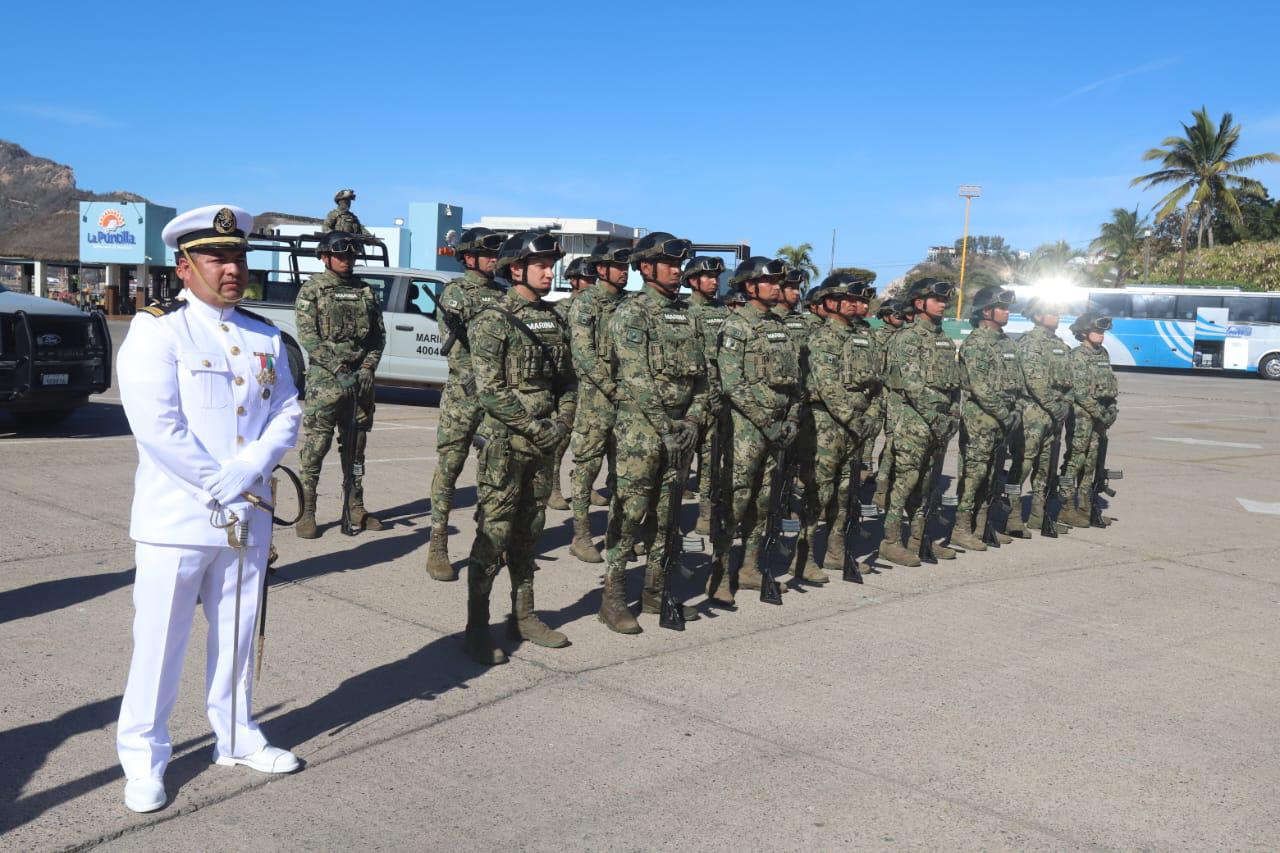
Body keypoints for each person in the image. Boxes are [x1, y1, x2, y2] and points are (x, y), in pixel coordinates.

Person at [115, 205, 302, 814]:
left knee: (239, 634)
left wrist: (252, 471)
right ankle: (145, 758)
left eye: (237, 256)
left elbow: (289, 411)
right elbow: (158, 429)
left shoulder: (263, 333)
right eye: (217, 257)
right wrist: (224, 483)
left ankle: (237, 736)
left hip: (249, 514)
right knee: (160, 643)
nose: (231, 269)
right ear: (184, 265)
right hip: (178, 517)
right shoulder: (159, 330)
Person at [463, 231, 577, 664]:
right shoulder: (493, 319)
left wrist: (563, 423)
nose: (550, 272)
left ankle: (523, 615)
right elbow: (489, 390)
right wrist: (533, 426)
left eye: (552, 265)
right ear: (516, 270)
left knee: (530, 531)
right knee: (493, 534)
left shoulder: (556, 319)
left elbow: (568, 381)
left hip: (544, 446)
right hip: (505, 447)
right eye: (542, 265)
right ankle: (476, 627)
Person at [597, 232, 708, 632]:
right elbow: (636, 376)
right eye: (670, 262)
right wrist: (665, 428)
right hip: (641, 431)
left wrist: (692, 421)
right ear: (646, 267)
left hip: (678, 431)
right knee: (630, 515)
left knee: (667, 517)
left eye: (680, 263)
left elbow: (703, 380)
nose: (678, 269)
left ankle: (656, 591)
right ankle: (612, 598)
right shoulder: (632, 314)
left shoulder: (689, 315)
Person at [425, 227, 507, 580]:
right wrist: (484, 381)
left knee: (495, 470)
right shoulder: (456, 293)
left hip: (496, 399)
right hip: (463, 397)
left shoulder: (503, 294)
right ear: (469, 257)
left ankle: (487, 542)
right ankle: (438, 541)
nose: (494, 258)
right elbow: (457, 354)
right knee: (450, 467)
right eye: (488, 253)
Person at [716, 257, 801, 594]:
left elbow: (794, 381)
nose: (778, 287)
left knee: (764, 501)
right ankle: (720, 572)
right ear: (750, 287)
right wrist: (767, 422)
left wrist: (791, 417)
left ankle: (750, 566)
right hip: (746, 429)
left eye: (780, 282)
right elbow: (732, 385)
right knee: (736, 500)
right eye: (771, 282)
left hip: (777, 428)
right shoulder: (737, 326)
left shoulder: (779, 326)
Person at [294, 231, 387, 537]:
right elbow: (309, 337)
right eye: (340, 255)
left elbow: (377, 336)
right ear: (325, 257)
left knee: (356, 450)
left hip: (359, 384)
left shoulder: (366, 291)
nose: (347, 260)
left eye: (351, 255)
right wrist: (336, 367)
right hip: (326, 383)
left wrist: (368, 368)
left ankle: (355, 506)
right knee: (316, 448)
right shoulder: (312, 290)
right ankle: (307, 510)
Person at [800, 273, 878, 580]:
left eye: (860, 300)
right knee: (817, 493)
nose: (858, 304)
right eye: (851, 299)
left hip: (855, 428)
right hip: (826, 425)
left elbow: (874, 382)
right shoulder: (822, 337)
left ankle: (836, 552)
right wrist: (855, 419)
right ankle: (804, 558)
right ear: (831, 302)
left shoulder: (863, 336)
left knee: (846, 492)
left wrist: (870, 416)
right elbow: (828, 386)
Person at [879, 278, 961, 567]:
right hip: (913, 423)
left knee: (928, 484)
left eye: (945, 300)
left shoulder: (944, 339)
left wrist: (952, 417)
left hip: (937, 424)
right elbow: (913, 386)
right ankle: (890, 541)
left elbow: (954, 385)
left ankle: (918, 539)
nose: (943, 304)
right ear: (918, 303)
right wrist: (937, 416)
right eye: (937, 299)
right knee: (905, 483)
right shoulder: (908, 338)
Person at [566, 238, 633, 563]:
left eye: (626, 267)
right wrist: (613, 389)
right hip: (595, 403)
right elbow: (583, 355)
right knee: (586, 469)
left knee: (623, 471)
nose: (624, 272)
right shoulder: (586, 303)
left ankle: (620, 534)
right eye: (618, 266)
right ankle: (581, 535)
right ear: (601, 268)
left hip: (628, 404)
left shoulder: (631, 304)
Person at [950, 286, 1025, 552]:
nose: (1007, 312)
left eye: (1007, 307)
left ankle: (981, 527)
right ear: (986, 311)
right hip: (981, 421)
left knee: (992, 475)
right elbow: (981, 388)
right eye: (1002, 307)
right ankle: (961, 529)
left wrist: (1015, 412)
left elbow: (1017, 382)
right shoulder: (976, 343)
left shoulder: (1006, 342)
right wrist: (1006, 414)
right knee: (974, 475)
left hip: (1002, 423)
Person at [1011, 297, 1073, 533]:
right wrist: (1054, 406)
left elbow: (1070, 381)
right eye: (1051, 311)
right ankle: (1013, 515)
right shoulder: (1030, 343)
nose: (1056, 314)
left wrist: (1065, 403)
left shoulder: (1060, 345)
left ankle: (1039, 514)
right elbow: (1034, 380)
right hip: (1033, 414)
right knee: (1023, 466)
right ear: (1038, 316)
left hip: (1054, 415)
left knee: (1045, 468)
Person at [682, 255, 730, 537]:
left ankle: (706, 514)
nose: (714, 281)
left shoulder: (724, 313)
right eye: (709, 277)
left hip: (718, 398)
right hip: (689, 399)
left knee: (712, 461)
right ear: (692, 281)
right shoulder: (682, 311)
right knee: (681, 463)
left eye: (717, 277)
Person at [547, 257, 597, 511]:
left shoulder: (598, 308)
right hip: (568, 380)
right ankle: (553, 488)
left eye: (594, 279)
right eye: (587, 279)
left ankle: (587, 485)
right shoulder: (560, 309)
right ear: (573, 280)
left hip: (592, 382)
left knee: (591, 437)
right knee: (562, 436)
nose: (591, 284)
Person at [1061, 311, 1118, 527]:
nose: (1101, 334)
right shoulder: (1077, 356)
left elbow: (1110, 384)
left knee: (1091, 463)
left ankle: (1085, 508)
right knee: (1075, 461)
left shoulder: (1102, 354)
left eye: (1103, 331)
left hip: (1099, 419)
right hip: (1082, 418)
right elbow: (1080, 391)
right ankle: (1066, 507)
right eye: (1096, 330)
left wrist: (1111, 409)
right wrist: (1099, 413)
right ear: (1084, 332)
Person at [868, 299, 908, 511]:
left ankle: (882, 487)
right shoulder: (875, 336)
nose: (901, 317)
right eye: (896, 313)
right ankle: (867, 476)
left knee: (893, 440)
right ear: (885, 315)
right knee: (869, 439)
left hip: (896, 396)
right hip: (879, 393)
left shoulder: (906, 336)